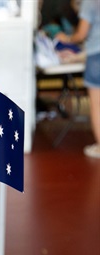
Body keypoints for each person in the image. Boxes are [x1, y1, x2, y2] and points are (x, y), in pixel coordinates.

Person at [56, 0, 100, 158]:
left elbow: (82, 34)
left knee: (97, 106)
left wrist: (66, 38)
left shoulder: (90, 2)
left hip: (96, 57)